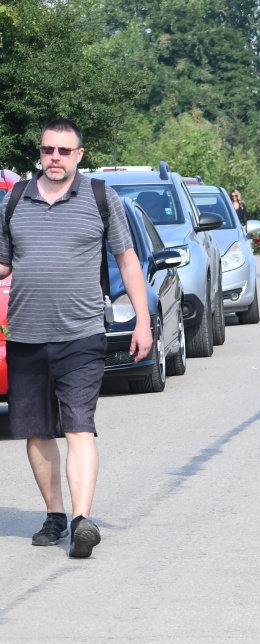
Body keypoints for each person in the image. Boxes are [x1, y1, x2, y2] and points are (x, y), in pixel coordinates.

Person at [0, 118, 152, 559]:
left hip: (83, 333)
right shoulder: (14, 201)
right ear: (40, 152)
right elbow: (4, 266)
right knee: (36, 431)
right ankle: (55, 515)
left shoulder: (101, 198)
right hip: (26, 334)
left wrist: (142, 320)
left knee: (80, 426)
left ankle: (82, 520)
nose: (55, 158)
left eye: (65, 151)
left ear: (79, 155)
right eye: (49, 150)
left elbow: (127, 262)